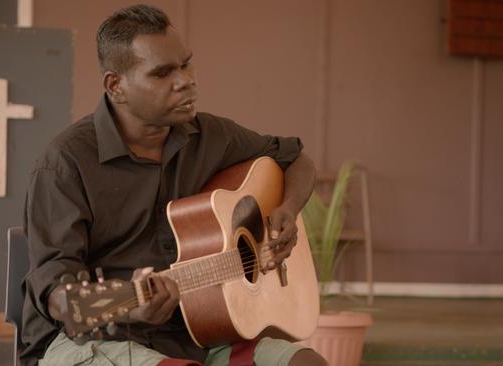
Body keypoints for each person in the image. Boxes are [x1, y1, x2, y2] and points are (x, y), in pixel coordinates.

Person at [21, 4, 326, 366]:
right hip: (98, 338)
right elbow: (58, 293)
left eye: (185, 64)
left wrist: (287, 210)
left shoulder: (211, 135)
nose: (186, 80)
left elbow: (295, 158)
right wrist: (130, 309)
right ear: (116, 86)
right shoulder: (65, 163)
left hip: (201, 334)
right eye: (163, 73)